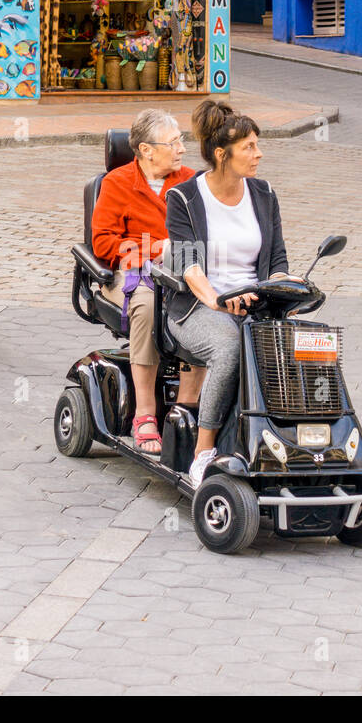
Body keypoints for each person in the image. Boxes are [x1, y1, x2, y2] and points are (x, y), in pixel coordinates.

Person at [165, 100, 293, 488]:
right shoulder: (184, 197)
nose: (258, 153)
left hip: (255, 305)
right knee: (230, 348)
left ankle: (286, 439)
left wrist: (282, 284)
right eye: (249, 147)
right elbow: (189, 266)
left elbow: (278, 257)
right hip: (198, 309)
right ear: (222, 155)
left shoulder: (264, 193)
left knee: (300, 348)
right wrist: (218, 300)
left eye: (257, 145)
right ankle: (204, 449)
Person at [92, 110, 205, 453]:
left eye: (181, 141)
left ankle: (187, 408)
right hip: (130, 273)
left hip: (181, 271)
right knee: (147, 305)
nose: (182, 149)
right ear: (145, 149)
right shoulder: (117, 183)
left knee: (202, 308)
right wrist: (155, 250)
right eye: (173, 143)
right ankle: (145, 414)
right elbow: (103, 244)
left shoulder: (191, 181)